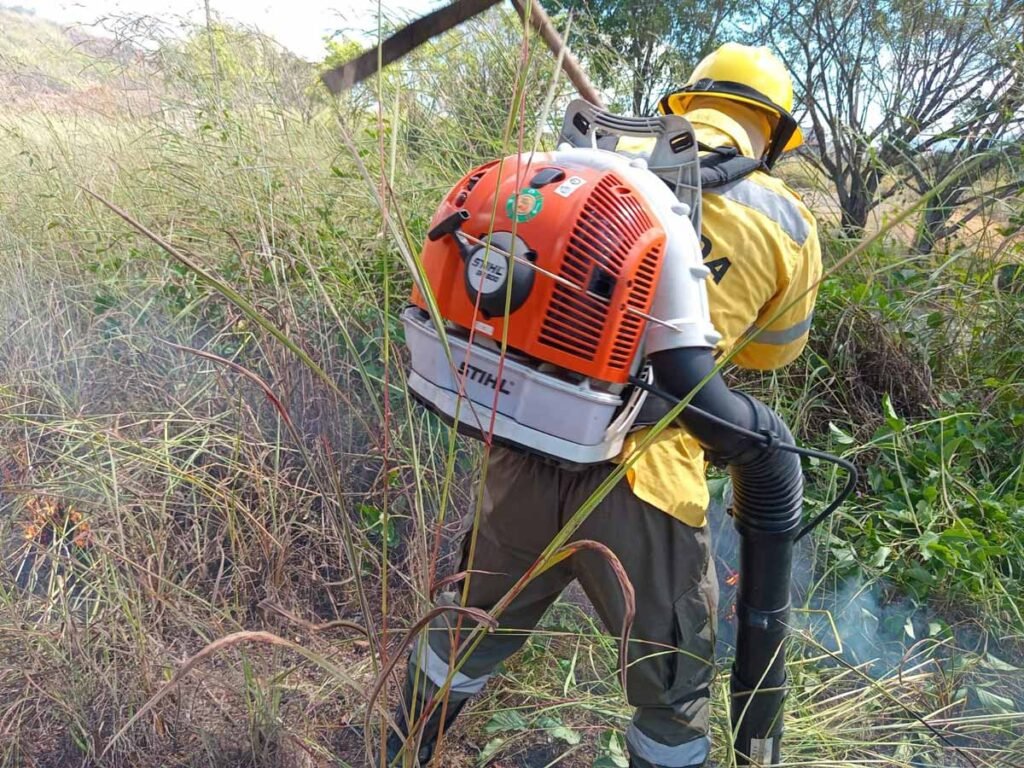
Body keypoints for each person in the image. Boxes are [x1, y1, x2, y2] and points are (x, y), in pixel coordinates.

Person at [387, 43, 823, 768]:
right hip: (650, 479)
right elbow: (770, 353)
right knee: (672, 695)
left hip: (532, 441)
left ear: (684, 103)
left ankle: (393, 749)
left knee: (464, 633)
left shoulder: (585, 164)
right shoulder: (786, 221)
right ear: (773, 134)